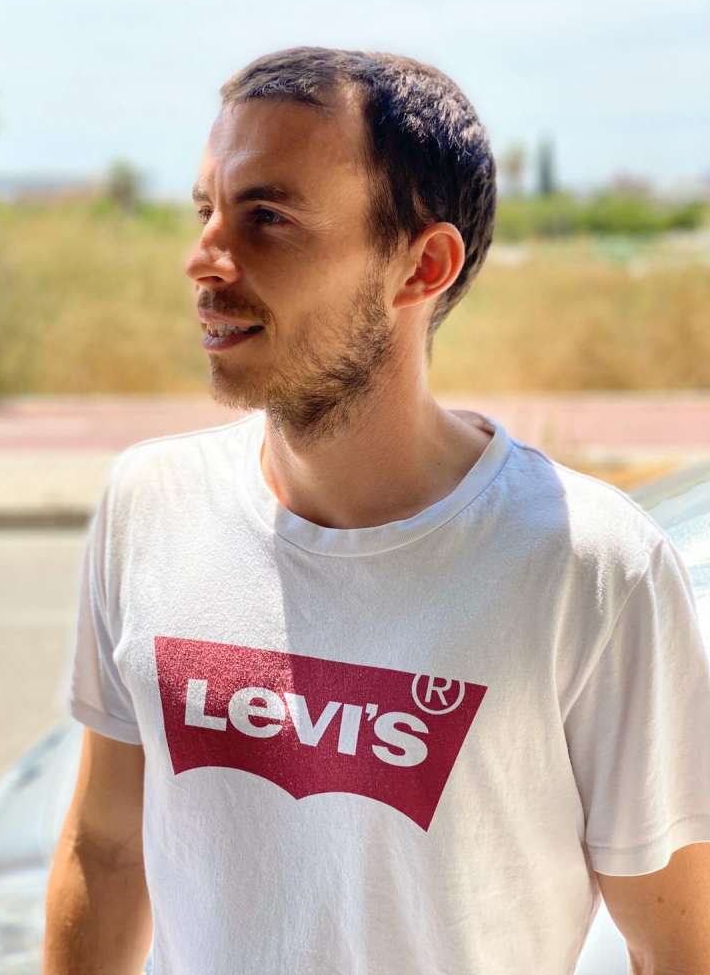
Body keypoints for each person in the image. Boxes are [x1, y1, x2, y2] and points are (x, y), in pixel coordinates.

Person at [43, 47, 710, 974]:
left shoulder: (590, 564)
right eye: (207, 211)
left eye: (268, 217)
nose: (203, 260)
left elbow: (677, 948)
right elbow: (109, 851)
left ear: (421, 266)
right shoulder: (148, 504)